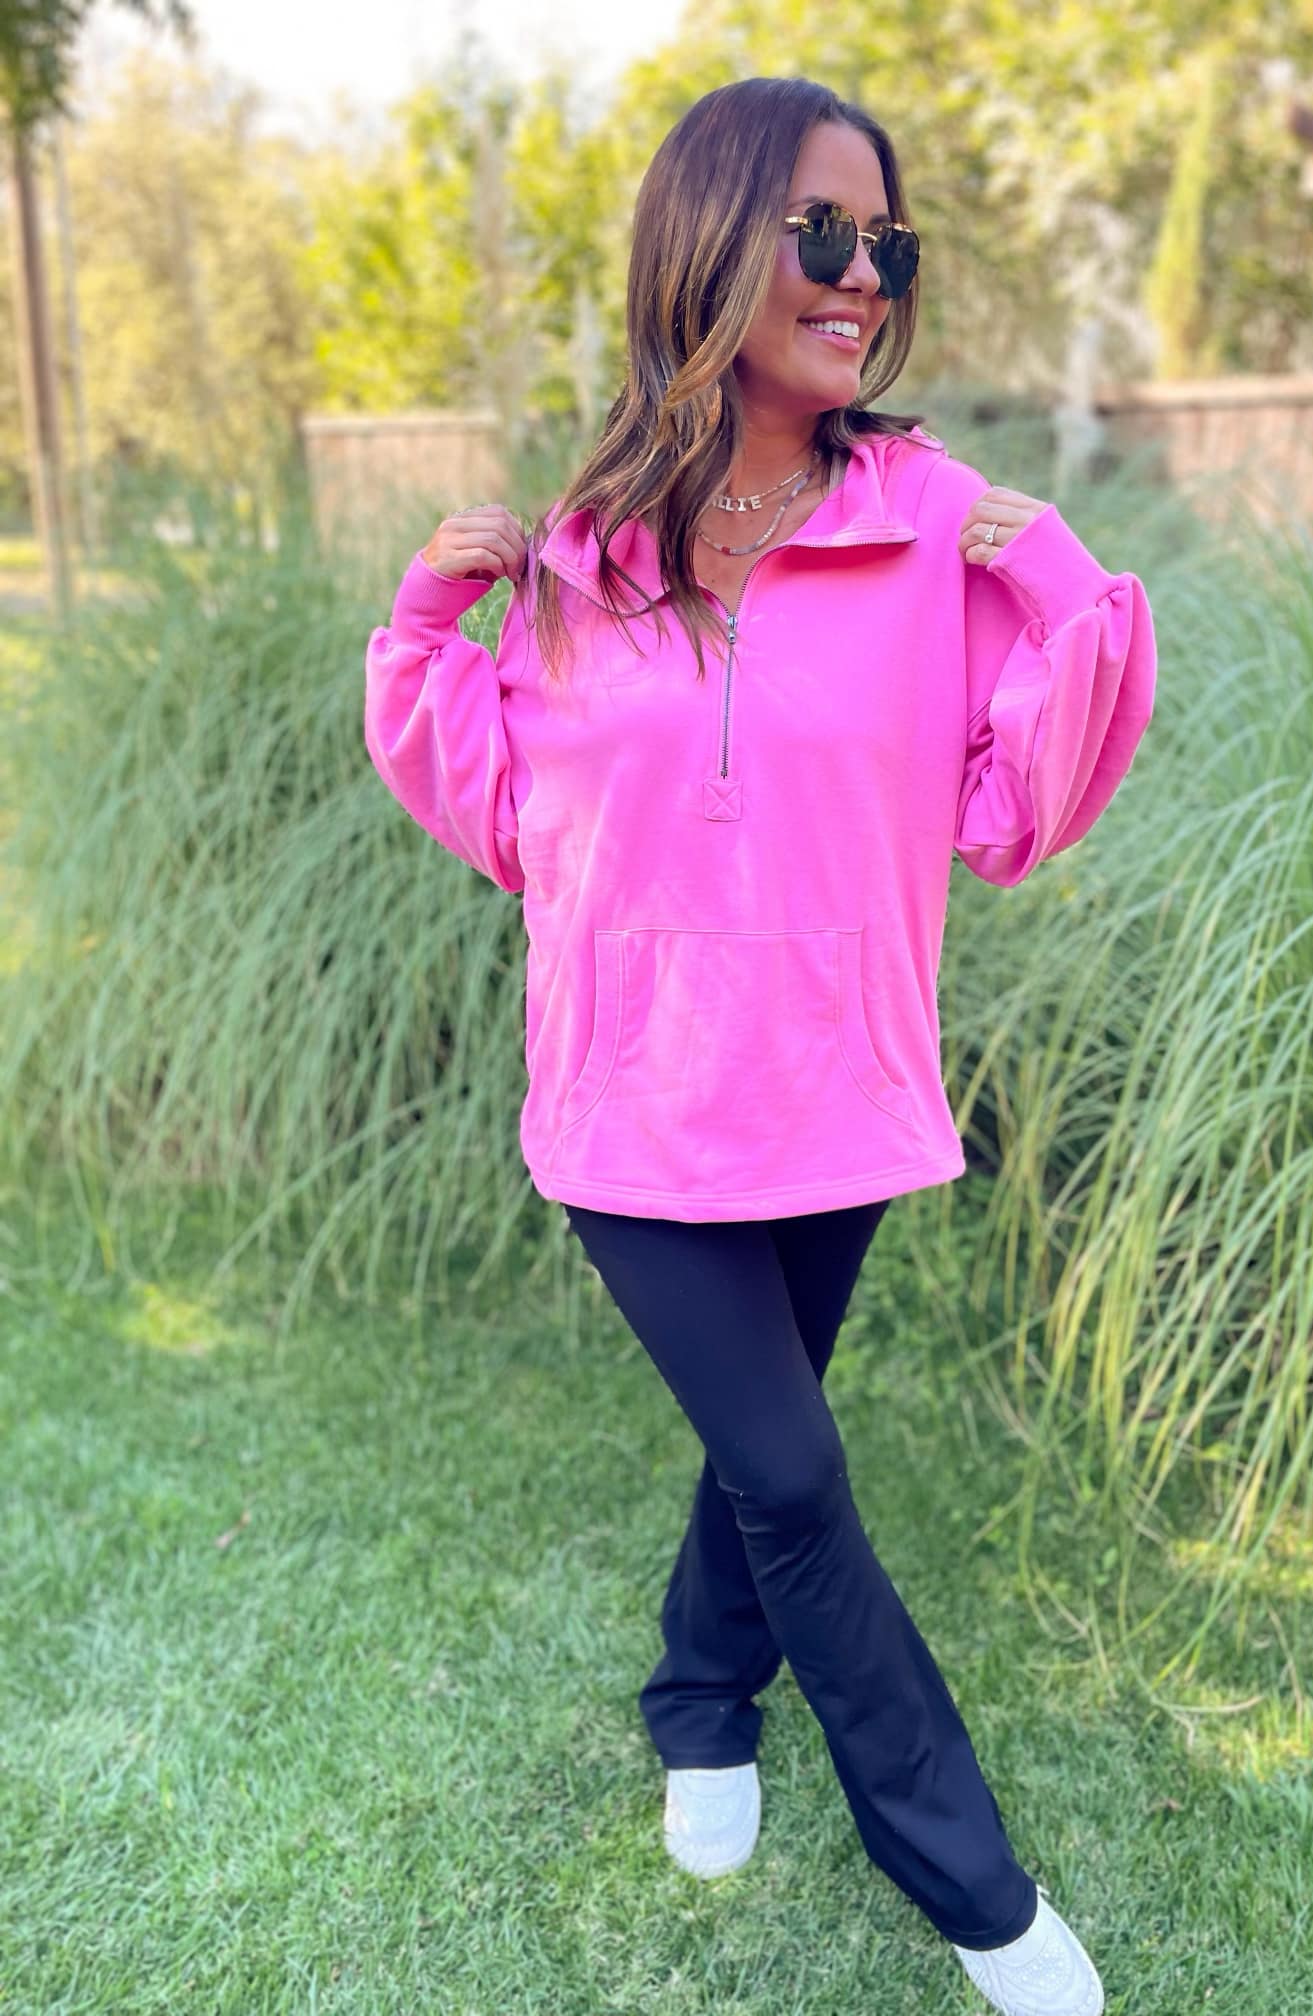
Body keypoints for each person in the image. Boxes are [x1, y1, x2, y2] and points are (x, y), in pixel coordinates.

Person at [364, 74, 1156, 2016]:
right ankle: (976, 1890)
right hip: (631, 1112)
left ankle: (698, 1700)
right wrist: (429, 618)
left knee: (760, 1444)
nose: (862, 274)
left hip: (838, 1094)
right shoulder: (587, 542)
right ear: (709, 242)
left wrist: (1061, 582)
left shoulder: (929, 522)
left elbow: (1015, 807)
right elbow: (515, 819)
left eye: (887, 242)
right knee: (794, 1478)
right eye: (822, 231)